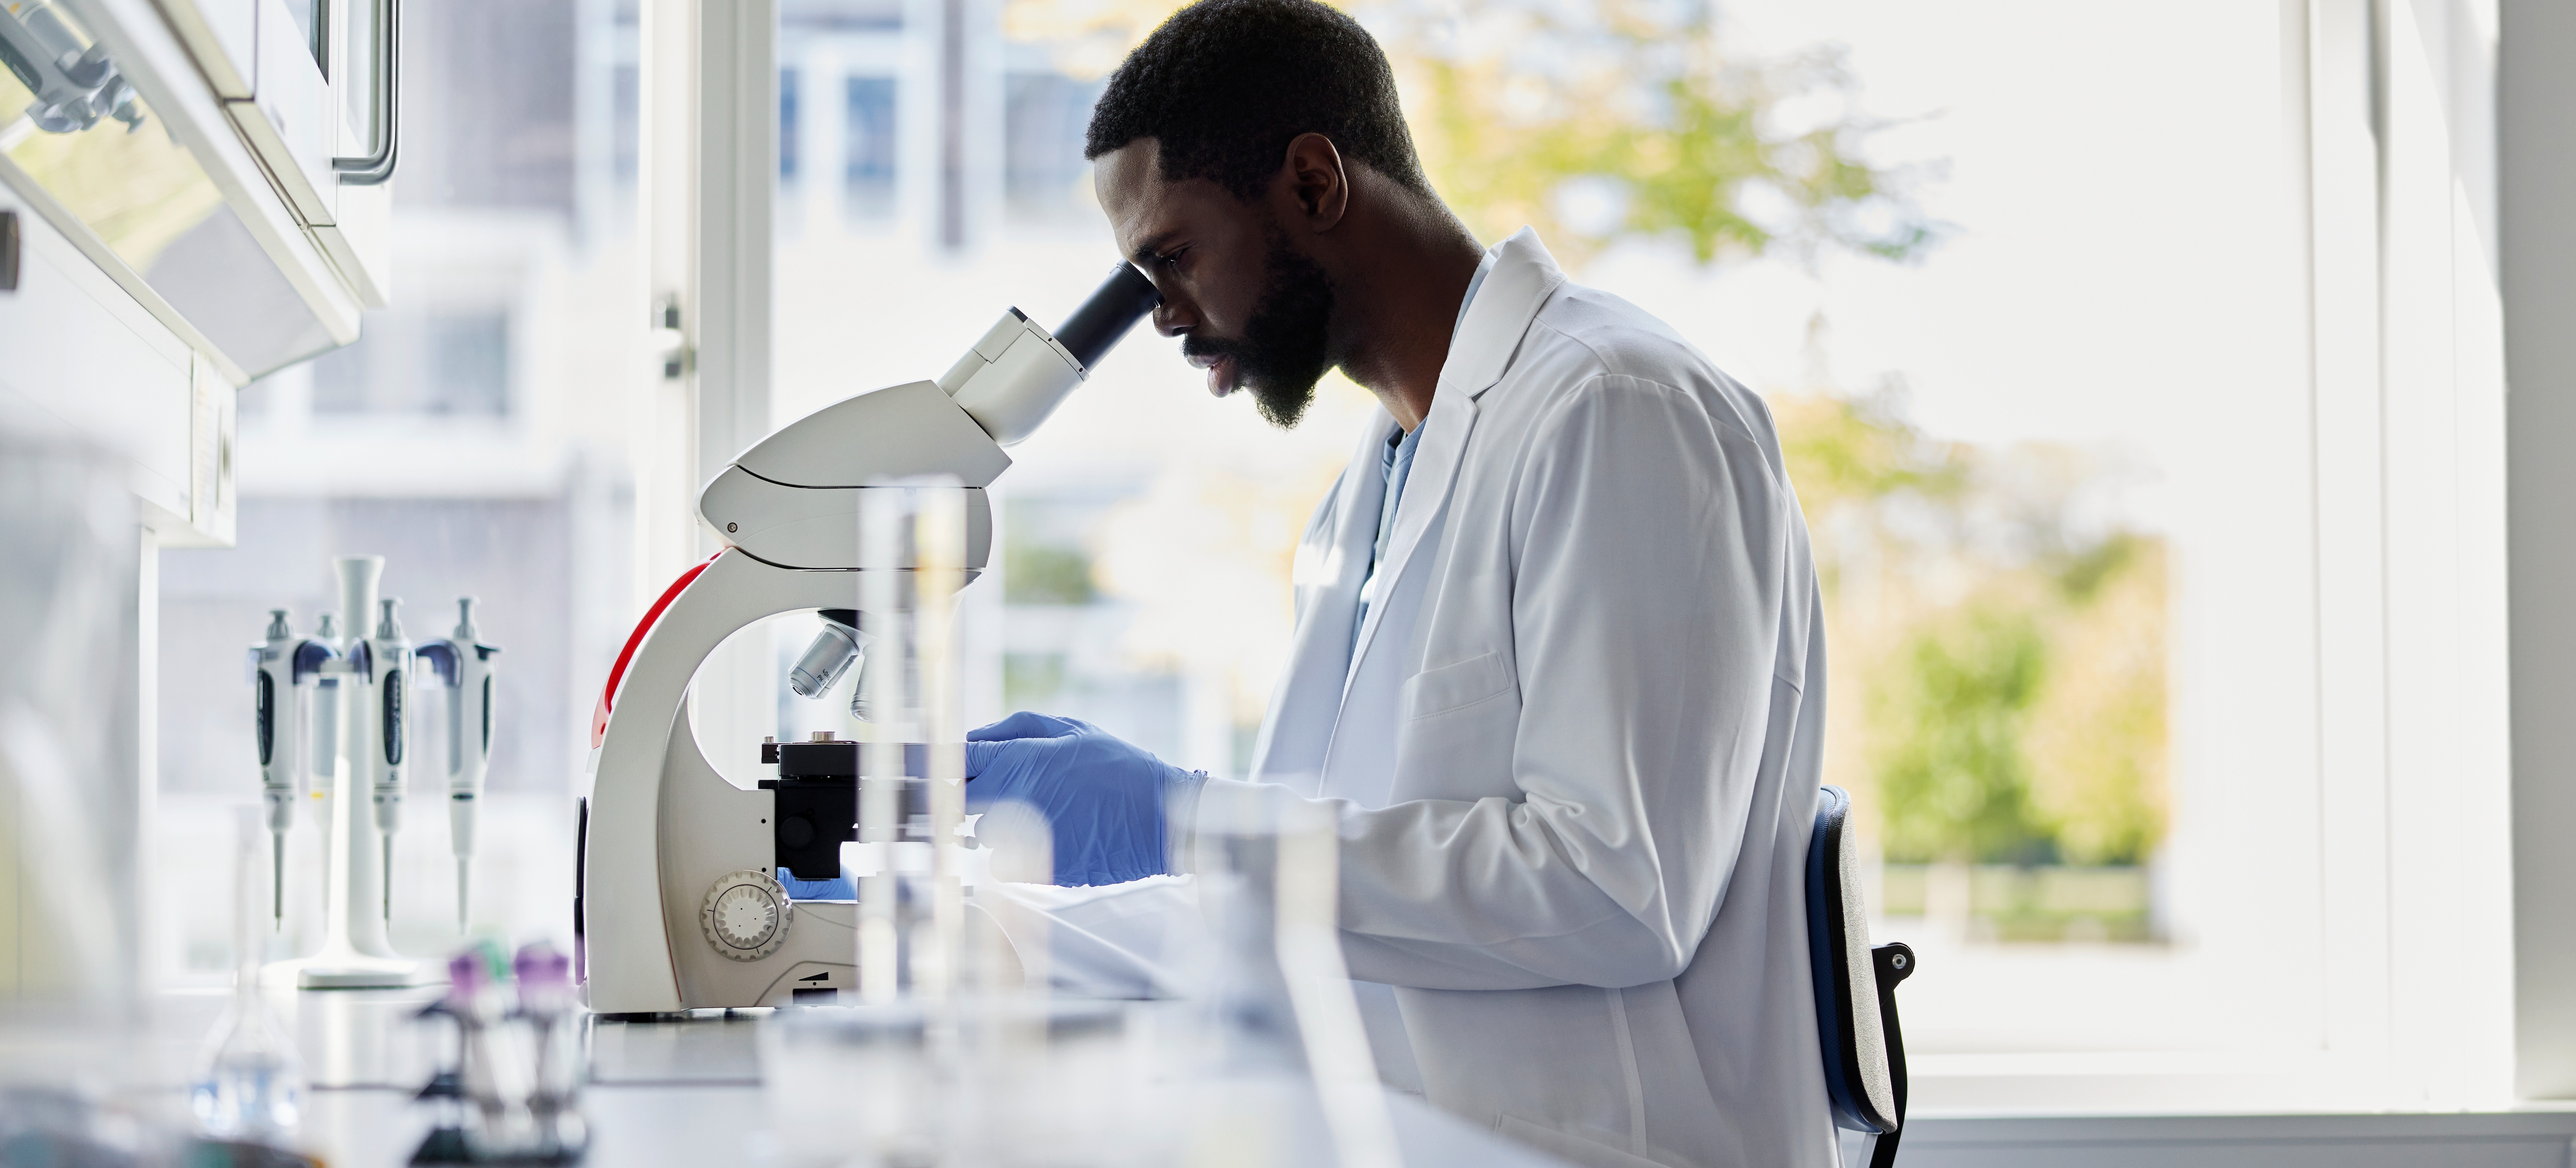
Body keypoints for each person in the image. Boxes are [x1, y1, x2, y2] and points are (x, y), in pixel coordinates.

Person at [962, 1, 1836, 1163]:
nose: (1162, 312)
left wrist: (1181, 815)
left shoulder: (1615, 407)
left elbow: (1618, 891)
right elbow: (1289, 905)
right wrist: (961, 928)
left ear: (1315, 184)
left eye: (1169, 257)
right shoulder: (1365, 496)